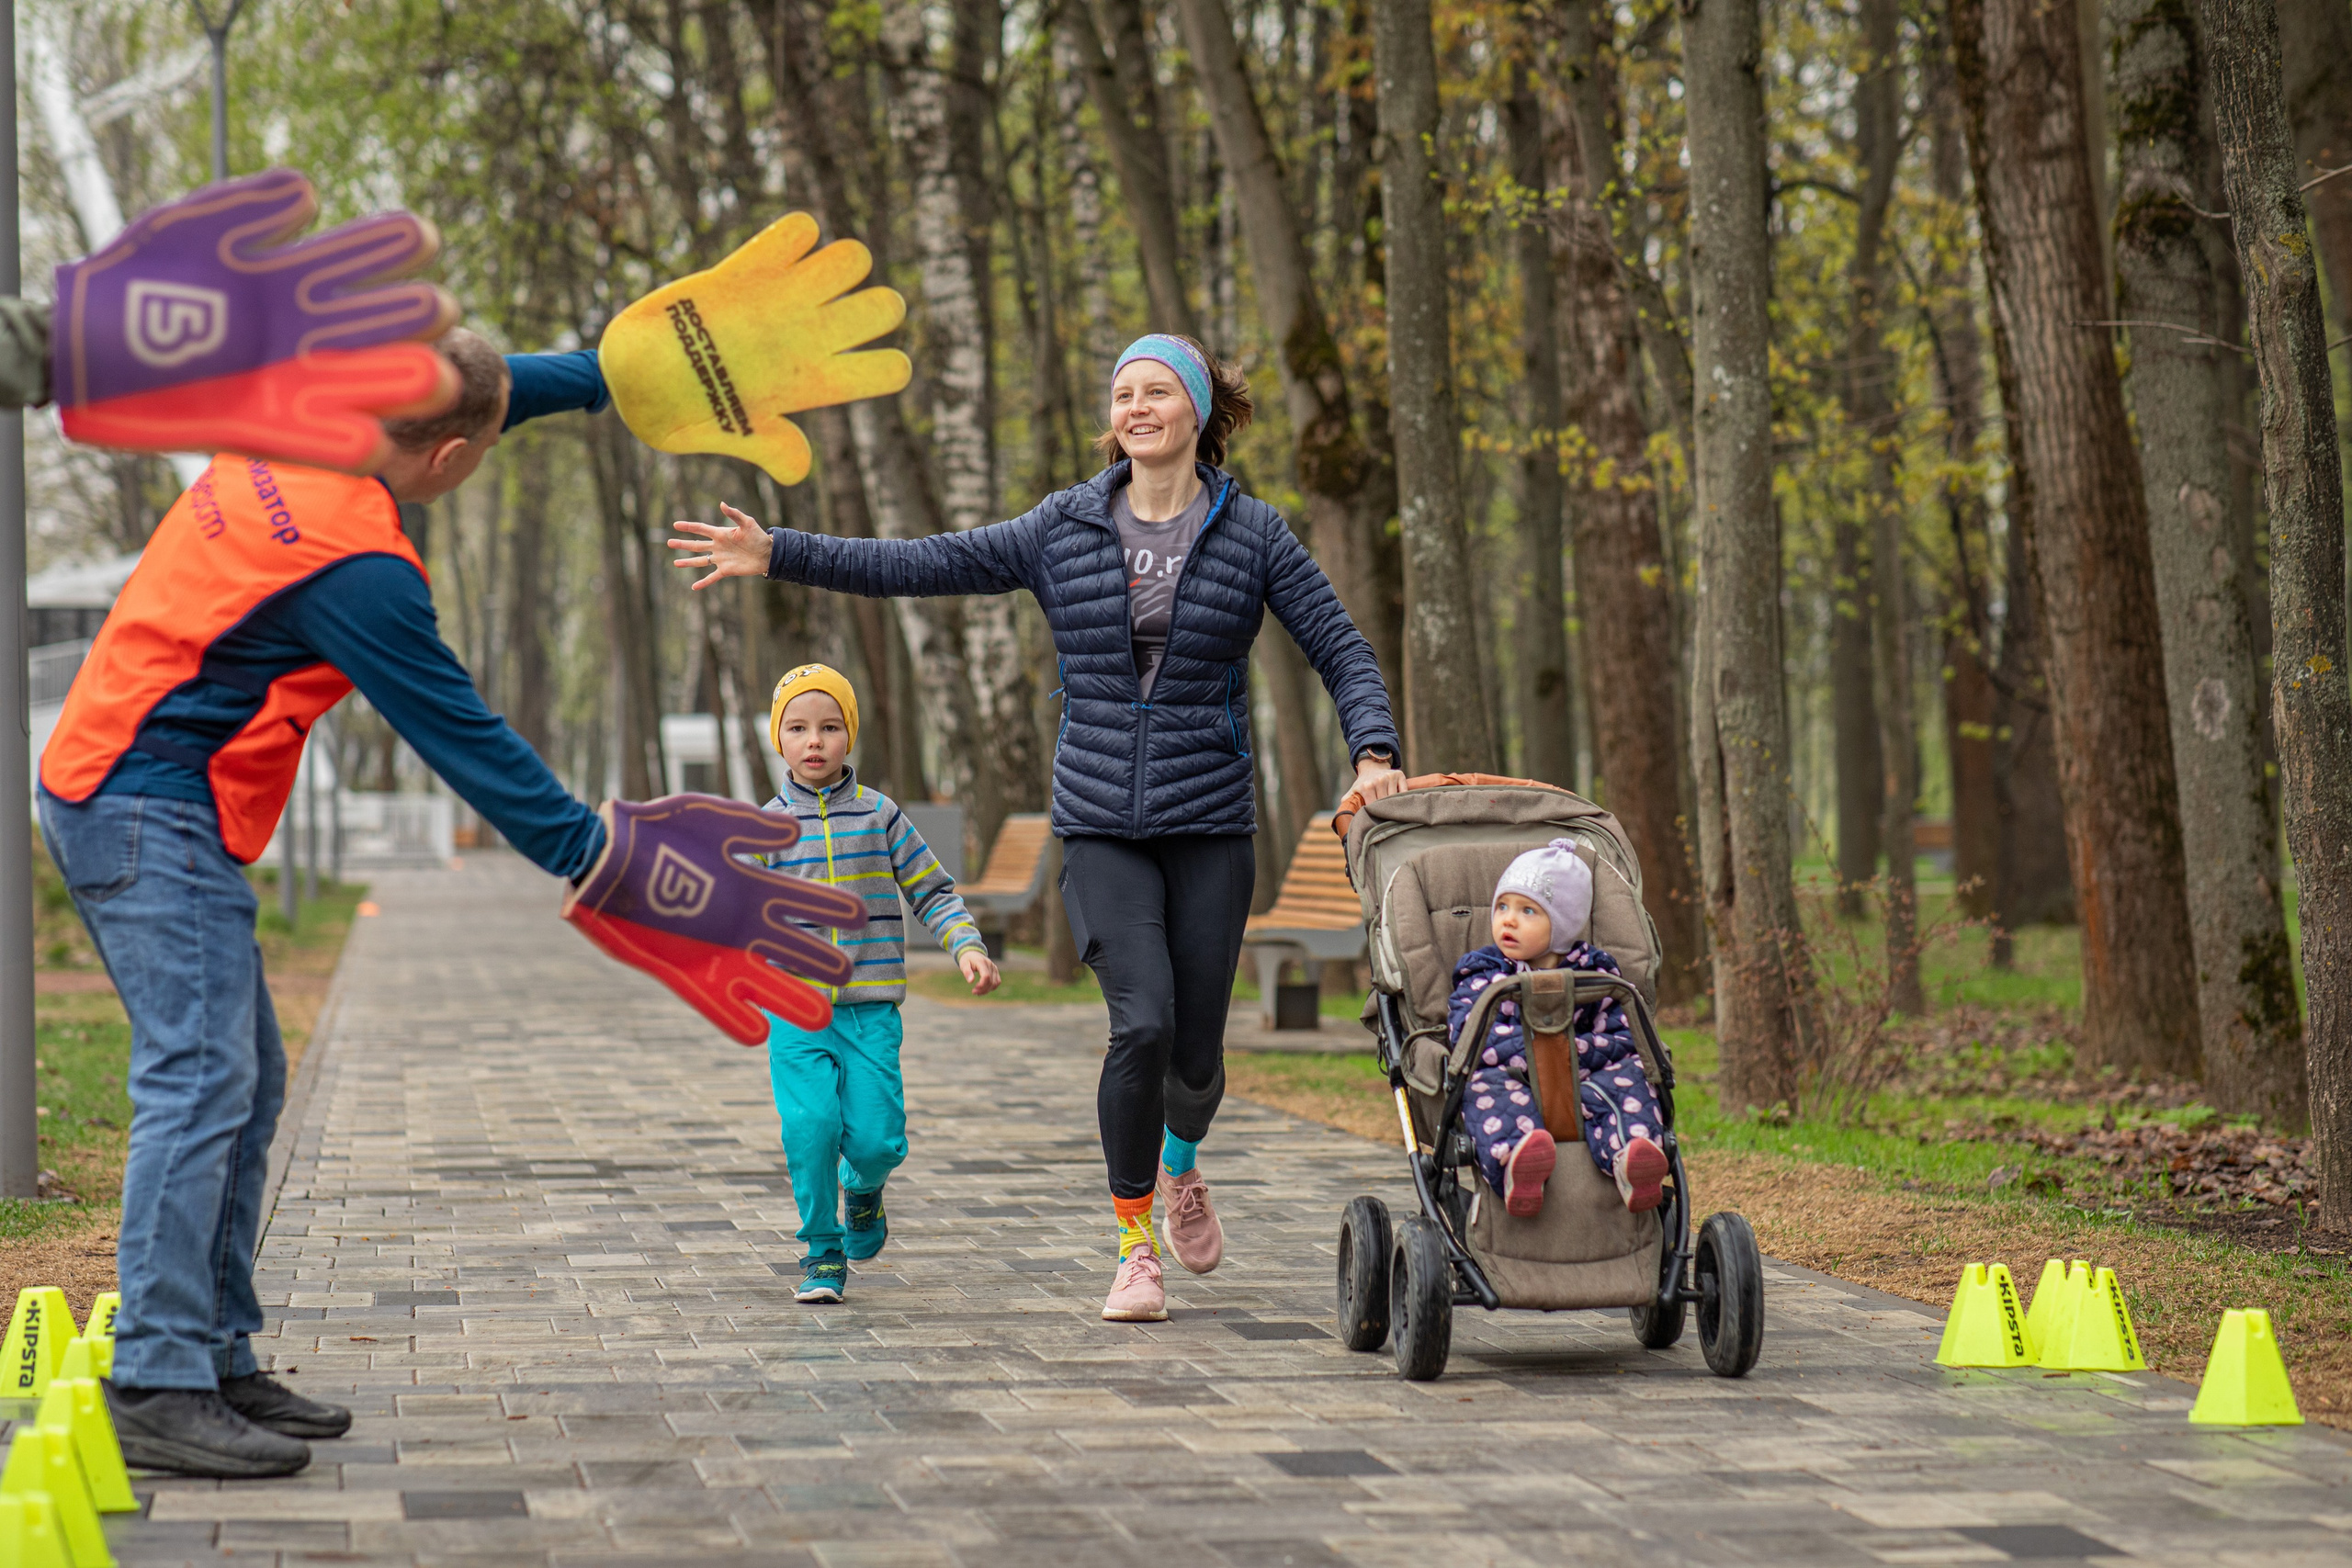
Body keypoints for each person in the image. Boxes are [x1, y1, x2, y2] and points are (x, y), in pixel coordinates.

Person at [668, 333, 1406, 1324]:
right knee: (1138, 1024)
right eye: (1122, 393)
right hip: (1099, 821)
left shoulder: (1255, 535)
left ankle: (1182, 1164)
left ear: (1196, 412)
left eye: (1156, 392)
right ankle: (1133, 1243)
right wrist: (781, 553)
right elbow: (924, 564)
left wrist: (1374, 753)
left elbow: (1343, 649)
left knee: (1194, 1056)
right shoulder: (1063, 526)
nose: (1136, 407)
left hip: (1209, 821)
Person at [38, 332, 652, 1479]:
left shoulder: (297, 405)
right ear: (455, 455)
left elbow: (477, 389)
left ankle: (213, 1356)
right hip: (140, 801)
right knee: (201, 1075)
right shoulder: (355, 568)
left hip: (131, 781)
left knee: (244, 1076)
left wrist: (615, 370)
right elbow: (464, 738)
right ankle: (158, 1377)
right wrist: (596, 858)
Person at [756, 662, 1001, 1303]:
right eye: (800, 727)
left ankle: (863, 1189)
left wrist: (966, 944)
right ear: (778, 739)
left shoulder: (879, 814)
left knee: (878, 1138)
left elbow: (931, 889)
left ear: (850, 735)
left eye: (830, 727)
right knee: (809, 1126)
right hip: (796, 1012)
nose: (816, 740)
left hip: (870, 1013)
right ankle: (822, 1251)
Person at [1446, 840, 1668, 1218]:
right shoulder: (1484, 971)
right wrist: (1541, 1054)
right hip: (1514, 1077)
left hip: (1584, 1079)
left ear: (1563, 924)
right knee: (1482, 1086)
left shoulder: (1596, 974)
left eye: (1527, 910)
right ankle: (1518, 1165)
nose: (1508, 920)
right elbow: (1469, 1035)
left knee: (1631, 1078)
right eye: (1502, 907)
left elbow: (1623, 1037)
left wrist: (1577, 1054)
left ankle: (1632, 1159)